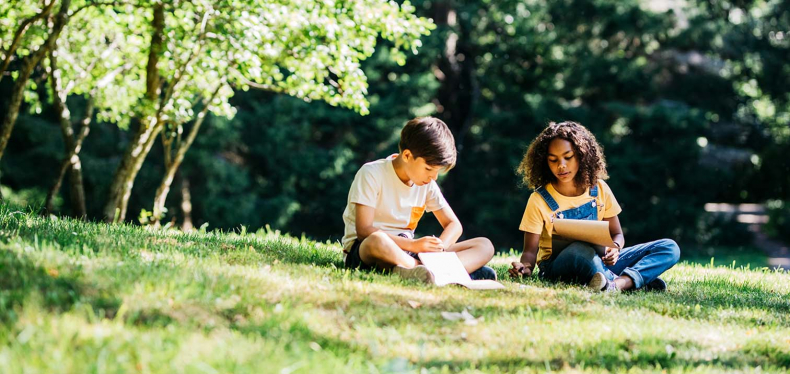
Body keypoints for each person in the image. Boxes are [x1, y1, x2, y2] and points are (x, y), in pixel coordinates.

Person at [508, 121, 680, 291]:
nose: (561, 165)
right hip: (559, 266)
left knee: (668, 247)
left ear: (582, 155)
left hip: (601, 259)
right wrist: (525, 267)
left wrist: (615, 247)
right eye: (553, 160)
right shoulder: (539, 199)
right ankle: (634, 281)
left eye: (568, 157)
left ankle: (618, 284)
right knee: (579, 251)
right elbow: (530, 252)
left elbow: (617, 234)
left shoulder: (599, 188)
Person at [342, 117, 496, 284]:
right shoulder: (372, 173)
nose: (433, 177)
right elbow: (364, 231)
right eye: (429, 169)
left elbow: (454, 225)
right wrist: (413, 246)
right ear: (407, 155)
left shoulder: (426, 183)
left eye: (437, 171)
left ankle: (422, 270)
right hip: (368, 249)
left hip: (409, 252)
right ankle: (439, 271)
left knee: (484, 245)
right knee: (377, 241)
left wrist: (440, 248)